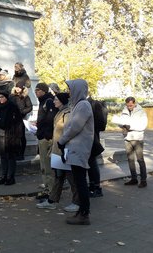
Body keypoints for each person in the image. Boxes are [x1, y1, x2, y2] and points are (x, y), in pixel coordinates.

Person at [57, 79, 94, 225]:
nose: (69, 92)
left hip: (79, 148)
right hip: (75, 147)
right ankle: (82, 212)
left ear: (78, 90)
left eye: (71, 89)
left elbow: (74, 127)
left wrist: (62, 140)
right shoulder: (78, 105)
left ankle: (84, 214)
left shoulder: (83, 105)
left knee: (80, 183)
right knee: (79, 182)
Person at [36, 92, 79, 213]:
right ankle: (52, 201)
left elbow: (69, 132)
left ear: (61, 101)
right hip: (57, 149)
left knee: (71, 178)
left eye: (56, 99)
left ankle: (77, 202)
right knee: (58, 176)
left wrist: (62, 146)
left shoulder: (68, 113)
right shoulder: (60, 112)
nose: (53, 101)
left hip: (64, 150)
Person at [34, 82, 58, 200]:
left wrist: (44, 133)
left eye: (38, 90)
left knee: (47, 165)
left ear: (44, 90)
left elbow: (51, 119)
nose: (36, 92)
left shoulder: (48, 101)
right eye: (35, 91)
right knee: (44, 165)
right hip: (43, 135)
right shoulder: (43, 101)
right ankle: (47, 187)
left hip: (46, 137)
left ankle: (50, 190)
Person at [0, 91, 24, 185]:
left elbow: (18, 121)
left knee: (11, 156)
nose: (0, 99)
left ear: (6, 97)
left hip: (10, 135)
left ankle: (10, 177)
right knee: (3, 156)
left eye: (2, 97)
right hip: (0, 134)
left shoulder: (12, 106)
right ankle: (4, 175)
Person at [119, 97, 149, 188]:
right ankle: (134, 179)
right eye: (128, 105)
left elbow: (143, 126)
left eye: (131, 105)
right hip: (127, 138)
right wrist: (121, 124)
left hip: (137, 139)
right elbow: (120, 122)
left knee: (140, 160)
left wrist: (130, 127)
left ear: (135, 103)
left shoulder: (141, 112)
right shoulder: (124, 111)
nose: (129, 107)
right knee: (130, 160)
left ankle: (143, 180)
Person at [87, 96, 108, 197]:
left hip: (92, 138)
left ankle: (96, 187)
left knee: (92, 163)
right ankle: (92, 186)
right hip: (92, 136)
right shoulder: (89, 103)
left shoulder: (92, 104)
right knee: (91, 163)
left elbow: (99, 124)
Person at [10, 80, 33, 158]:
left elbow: (30, 107)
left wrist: (22, 112)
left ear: (23, 88)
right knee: (13, 136)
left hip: (21, 119)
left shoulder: (25, 97)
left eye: (19, 87)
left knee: (21, 136)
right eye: (16, 87)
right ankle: (14, 152)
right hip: (12, 119)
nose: (17, 89)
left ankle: (21, 153)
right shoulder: (12, 96)